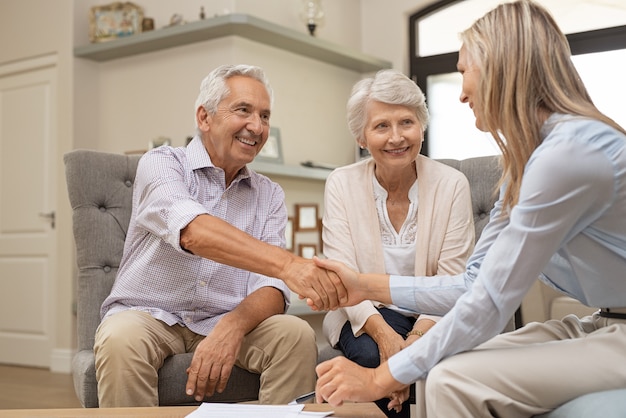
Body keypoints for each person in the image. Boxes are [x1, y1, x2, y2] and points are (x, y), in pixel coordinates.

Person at [313, 1, 626, 416]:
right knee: (446, 365)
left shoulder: (568, 155)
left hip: (617, 332)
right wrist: (364, 286)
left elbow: (491, 303)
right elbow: (472, 283)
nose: (460, 93)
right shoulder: (527, 163)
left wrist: (379, 379)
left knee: (448, 378)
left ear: (499, 69)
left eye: (464, 71)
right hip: (602, 322)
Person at [93, 64, 346, 407]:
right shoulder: (162, 163)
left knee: (296, 334)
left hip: (223, 316)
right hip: (148, 315)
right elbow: (193, 232)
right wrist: (289, 266)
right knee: (119, 338)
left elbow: (271, 288)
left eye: (265, 116)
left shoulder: (269, 194)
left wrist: (233, 326)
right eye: (243, 110)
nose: (256, 127)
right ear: (204, 117)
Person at [321, 69, 474, 417]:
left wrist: (413, 346)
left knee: (434, 368)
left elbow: (453, 280)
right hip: (365, 315)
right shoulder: (341, 184)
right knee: (374, 357)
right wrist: (391, 342)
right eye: (381, 126)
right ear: (361, 136)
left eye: (406, 122)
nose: (396, 137)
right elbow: (343, 279)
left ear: (422, 125)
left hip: (434, 314)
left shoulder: (452, 185)